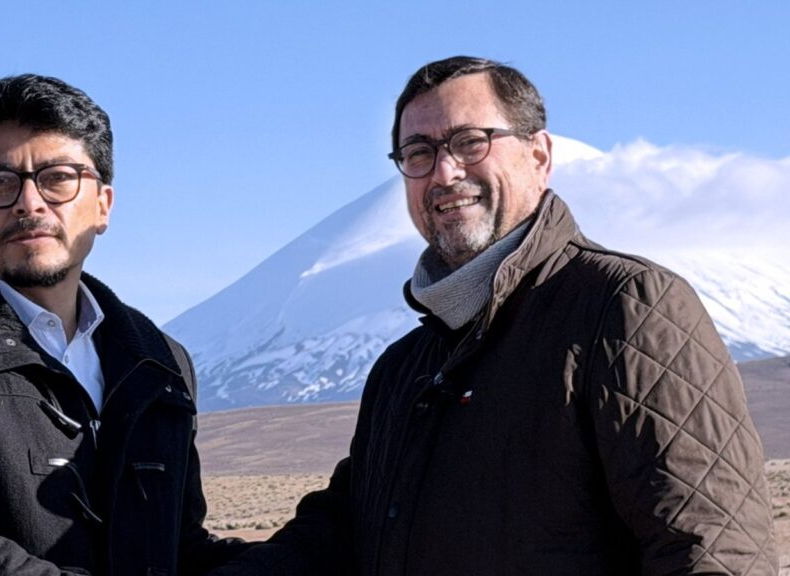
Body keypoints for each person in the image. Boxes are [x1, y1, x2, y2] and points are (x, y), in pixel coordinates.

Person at [210, 56, 778, 575]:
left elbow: (712, 548)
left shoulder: (622, 307)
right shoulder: (404, 370)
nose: (444, 172)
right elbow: (338, 534)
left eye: (470, 142)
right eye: (419, 153)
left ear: (539, 156)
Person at [0, 74, 247, 576]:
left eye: (57, 178)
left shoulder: (160, 363)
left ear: (103, 205)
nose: (28, 203)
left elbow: (179, 548)